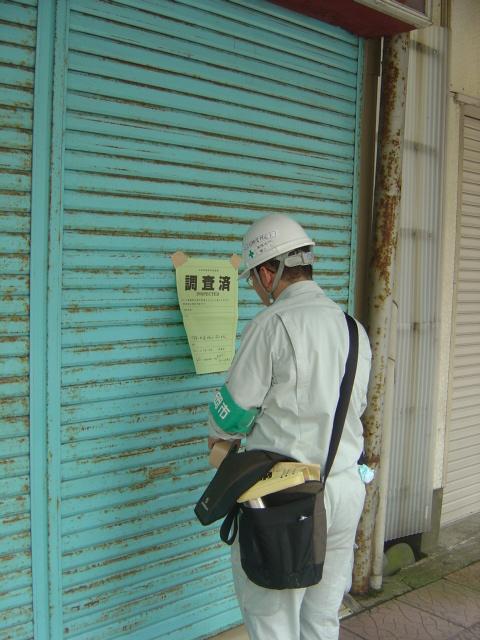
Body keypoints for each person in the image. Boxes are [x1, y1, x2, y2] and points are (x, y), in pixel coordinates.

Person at [208, 213, 372, 640]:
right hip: (344, 487)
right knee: (321, 617)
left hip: (286, 496)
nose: (255, 287)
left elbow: (232, 414)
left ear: (268, 272)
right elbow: (356, 408)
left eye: (252, 277)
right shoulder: (353, 329)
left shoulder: (272, 324)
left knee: (272, 620)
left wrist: (219, 435)